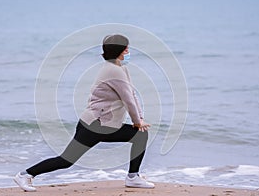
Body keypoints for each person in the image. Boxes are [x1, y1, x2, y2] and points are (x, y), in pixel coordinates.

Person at [14, 34, 155, 192]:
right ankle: (25, 174)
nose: (129, 51)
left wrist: (140, 119)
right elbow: (128, 99)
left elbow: (132, 94)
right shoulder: (113, 71)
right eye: (126, 49)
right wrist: (136, 122)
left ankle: (133, 177)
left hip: (106, 125)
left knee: (140, 134)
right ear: (120, 51)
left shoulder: (121, 69)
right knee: (66, 160)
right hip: (95, 125)